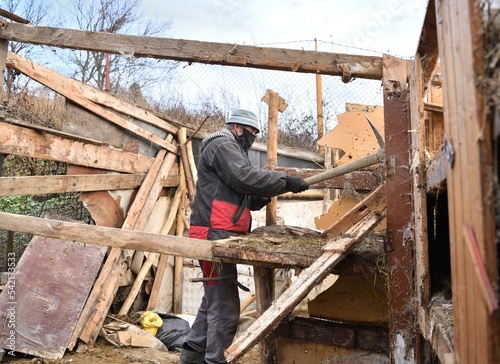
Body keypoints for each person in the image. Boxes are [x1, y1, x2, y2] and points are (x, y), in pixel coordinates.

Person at [179, 109, 309, 364]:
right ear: (237, 127)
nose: (253, 138)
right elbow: (244, 178)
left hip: (219, 230)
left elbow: (244, 195)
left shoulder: (231, 150)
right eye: (251, 132)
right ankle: (215, 360)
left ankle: (191, 356)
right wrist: (284, 180)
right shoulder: (223, 144)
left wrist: (275, 190)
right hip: (212, 233)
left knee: (213, 300)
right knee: (225, 308)